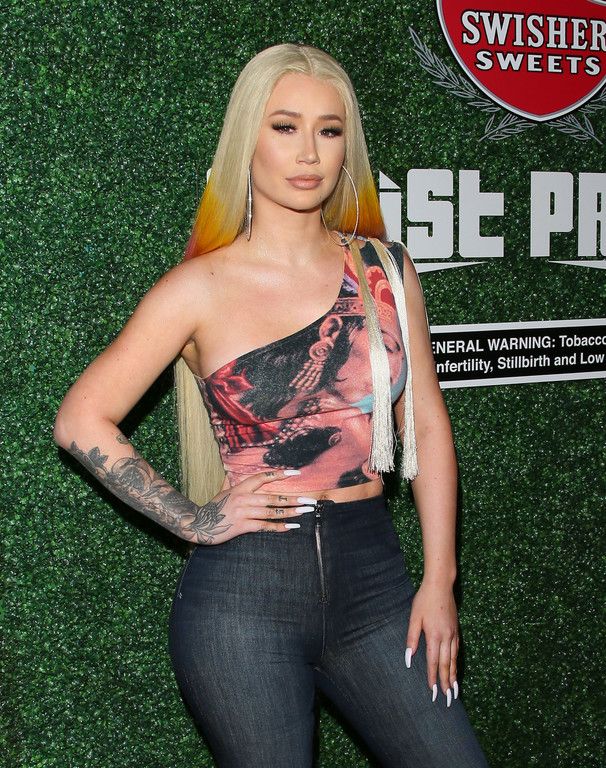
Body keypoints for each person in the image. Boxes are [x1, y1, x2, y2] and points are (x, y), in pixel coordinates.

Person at [53, 42, 490, 768]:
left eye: (329, 129)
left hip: (376, 579)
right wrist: (194, 519)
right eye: (285, 127)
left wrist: (440, 578)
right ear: (246, 140)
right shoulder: (198, 288)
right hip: (243, 599)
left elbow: (428, 425)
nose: (309, 152)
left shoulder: (384, 270)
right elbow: (80, 419)